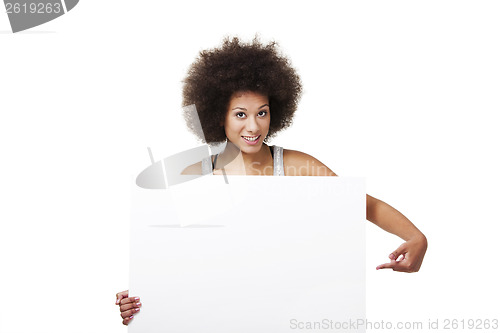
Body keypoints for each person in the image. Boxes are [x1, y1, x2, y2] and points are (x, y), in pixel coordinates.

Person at [116, 37, 428, 325]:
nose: (253, 126)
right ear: (218, 116)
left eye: (262, 113)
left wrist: (417, 238)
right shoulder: (197, 176)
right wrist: (142, 302)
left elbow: (366, 206)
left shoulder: (295, 166)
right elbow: (174, 261)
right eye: (240, 114)